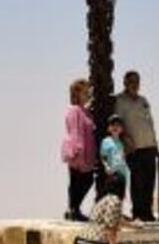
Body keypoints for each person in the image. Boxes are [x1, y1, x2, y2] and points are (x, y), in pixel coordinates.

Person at [114, 70, 158, 221]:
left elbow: (150, 122)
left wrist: (155, 142)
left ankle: (148, 212)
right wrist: (125, 138)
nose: (135, 84)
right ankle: (138, 212)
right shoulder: (119, 100)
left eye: (137, 81)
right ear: (125, 82)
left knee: (149, 181)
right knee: (137, 181)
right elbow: (117, 123)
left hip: (149, 146)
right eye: (131, 81)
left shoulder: (143, 100)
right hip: (134, 148)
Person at [61, 78, 96, 221]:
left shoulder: (86, 112)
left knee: (85, 180)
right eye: (85, 91)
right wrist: (77, 151)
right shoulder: (74, 110)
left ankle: (73, 209)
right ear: (77, 93)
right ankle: (73, 210)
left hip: (87, 153)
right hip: (77, 152)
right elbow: (74, 131)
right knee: (77, 181)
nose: (88, 94)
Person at [83, 173, 132, 244]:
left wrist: (133, 225)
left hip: (86, 238)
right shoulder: (115, 202)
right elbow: (110, 227)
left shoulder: (105, 199)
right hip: (96, 240)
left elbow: (115, 219)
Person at [99, 115, 130, 197]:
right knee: (111, 196)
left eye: (118, 125)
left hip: (122, 174)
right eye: (113, 125)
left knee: (120, 196)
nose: (115, 127)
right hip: (112, 173)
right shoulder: (106, 141)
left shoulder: (122, 143)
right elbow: (103, 156)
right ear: (109, 128)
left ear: (122, 129)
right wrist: (106, 166)